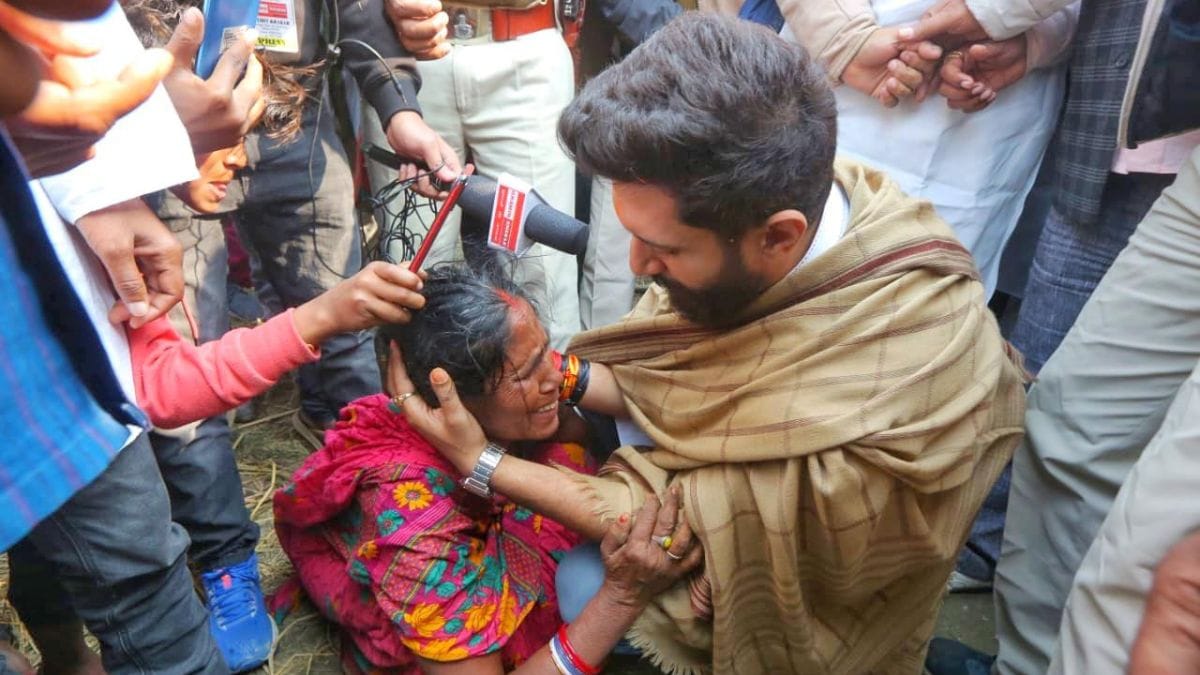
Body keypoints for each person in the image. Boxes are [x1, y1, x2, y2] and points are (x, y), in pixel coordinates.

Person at [390, 14, 1027, 673]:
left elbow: (661, 527)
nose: (637, 267)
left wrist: (482, 459)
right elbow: (678, 378)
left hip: (812, 608)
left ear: (778, 237)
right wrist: (551, 370)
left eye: (664, 248)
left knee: (583, 589)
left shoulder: (893, 397)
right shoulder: (785, 208)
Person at [903, 0, 1200, 671]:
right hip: (1128, 142)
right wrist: (1030, 41)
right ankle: (1028, 662)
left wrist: (984, 13)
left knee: (1168, 538)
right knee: (1067, 426)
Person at [273, 264, 702, 673]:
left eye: (545, 353)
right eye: (526, 374)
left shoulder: (506, 404)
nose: (555, 377)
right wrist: (621, 597)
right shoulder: (412, 520)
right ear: (451, 399)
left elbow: (608, 415)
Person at [373, 0, 580, 349]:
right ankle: (422, 397)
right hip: (400, 57)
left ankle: (557, 397)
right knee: (411, 270)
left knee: (545, 275)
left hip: (523, 47)